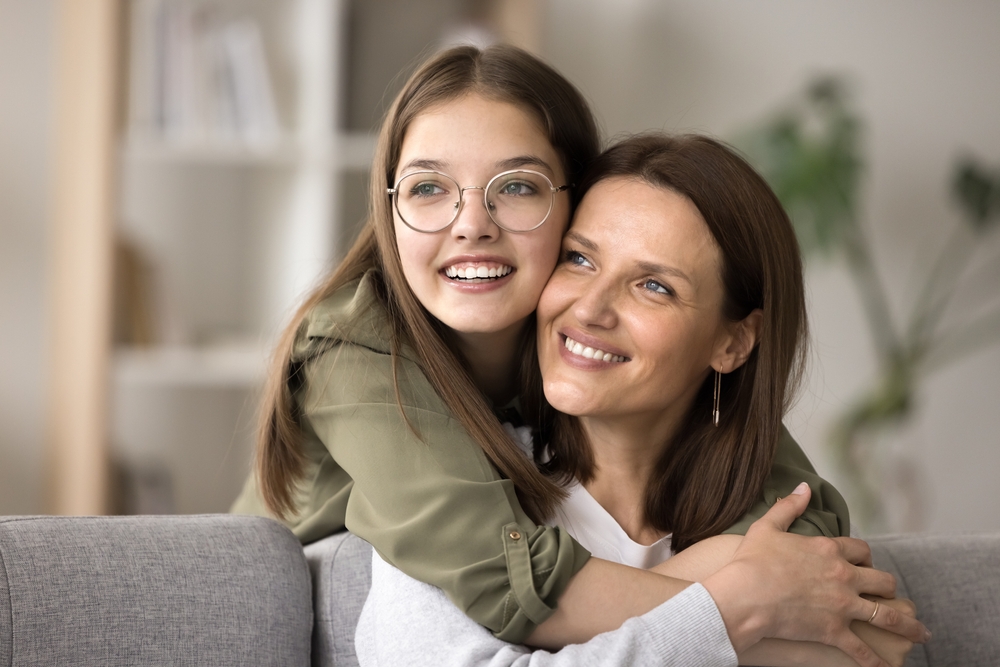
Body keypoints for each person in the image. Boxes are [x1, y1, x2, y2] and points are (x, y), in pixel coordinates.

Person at [230, 45, 928, 662]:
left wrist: (773, 580)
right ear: (389, 207)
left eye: (518, 187)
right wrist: (742, 596)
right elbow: (506, 581)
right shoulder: (352, 347)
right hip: (253, 613)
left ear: (573, 202)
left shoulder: (582, 355)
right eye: (428, 187)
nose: (472, 223)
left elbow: (801, 520)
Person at [355, 133, 921, 666]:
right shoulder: (456, 487)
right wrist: (738, 598)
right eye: (579, 259)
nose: (591, 309)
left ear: (733, 341)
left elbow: (872, 643)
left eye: (655, 286)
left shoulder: (776, 516)